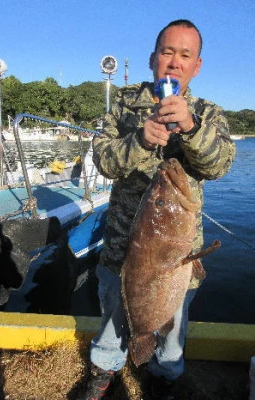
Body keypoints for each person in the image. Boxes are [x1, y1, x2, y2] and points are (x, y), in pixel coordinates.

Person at [80, 19, 235, 400]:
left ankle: (165, 376)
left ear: (196, 66)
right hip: (120, 250)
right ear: (153, 58)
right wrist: (139, 139)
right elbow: (102, 160)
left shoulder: (208, 113)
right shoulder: (123, 103)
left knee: (173, 323)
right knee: (114, 318)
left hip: (177, 256)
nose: (174, 62)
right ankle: (105, 369)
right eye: (167, 52)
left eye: (185, 55)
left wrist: (192, 127)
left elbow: (219, 166)